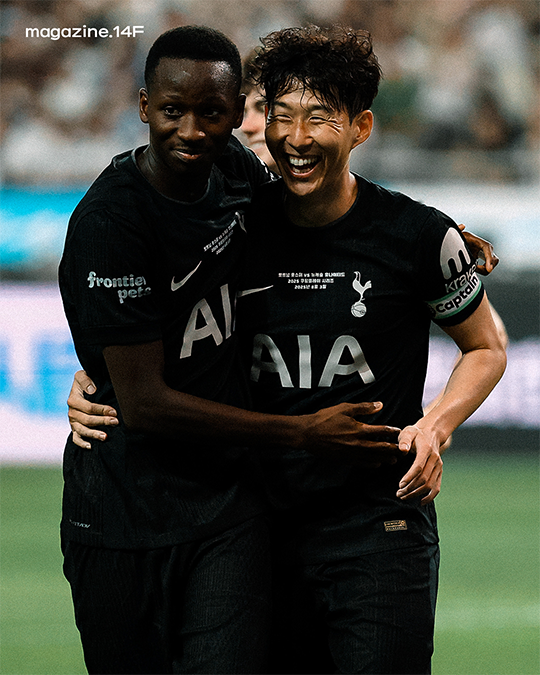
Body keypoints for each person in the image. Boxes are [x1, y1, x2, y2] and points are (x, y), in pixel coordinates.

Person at [66, 24, 507, 675]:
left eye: (319, 118)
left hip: (376, 523)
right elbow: (160, 325)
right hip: (263, 521)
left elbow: (487, 345)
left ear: (360, 127)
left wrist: (434, 425)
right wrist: (97, 375)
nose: (295, 137)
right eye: (281, 116)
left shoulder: (413, 235)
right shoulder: (241, 214)